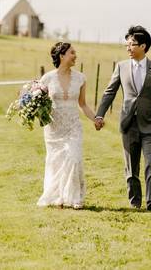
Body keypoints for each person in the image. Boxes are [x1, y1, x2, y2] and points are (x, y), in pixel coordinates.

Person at [95, 25, 151, 211]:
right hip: (129, 124)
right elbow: (109, 92)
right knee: (131, 167)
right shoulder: (120, 67)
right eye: (127, 45)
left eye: (132, 44)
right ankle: (135, 201)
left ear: (143, 46)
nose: (128, 48)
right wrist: (99, 114)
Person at [37, 42, 97, 209]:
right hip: (54, 128)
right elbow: (40, 103)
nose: (75, 55)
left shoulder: (81, 78)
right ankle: (59, 197)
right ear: (62, 56)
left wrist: (95, 119)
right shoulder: (47, 79)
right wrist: (34, 111)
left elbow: (83, 104)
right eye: (72, 53)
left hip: (73, 126)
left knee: (74, 157)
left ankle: (75, 197)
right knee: (56, 162)